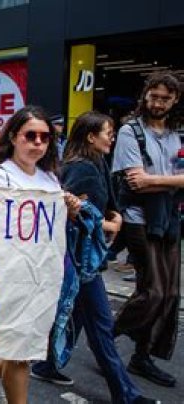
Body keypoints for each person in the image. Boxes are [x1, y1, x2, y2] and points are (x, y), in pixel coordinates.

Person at [30, 111, 159, 404]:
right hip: (80, 260)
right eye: (108, 133)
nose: (112, 138)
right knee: (100, 326)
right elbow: (67, 213)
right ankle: (126, 394)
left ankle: (46, 365)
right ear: (91, 137)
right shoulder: (81, 168)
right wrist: (108, 225)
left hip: (85, 257)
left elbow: (106, 202)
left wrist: (115, 216)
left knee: (77, 315)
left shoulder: (97, 162)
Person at [0, 105, 80, 404]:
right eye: (30, 135)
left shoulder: (49, 179)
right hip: (10, 278)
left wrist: (69, 210)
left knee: (28, 344)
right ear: (13, 137)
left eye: (44, 137)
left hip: (43, 276)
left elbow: (52, 227)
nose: (37, 142)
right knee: (21, 350)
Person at [112, 71, 182, 388]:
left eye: (165, 98)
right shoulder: (131, 131)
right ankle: (107, 334)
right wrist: (174, 182)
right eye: (154, 96)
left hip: (170, 219)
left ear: (175, 99)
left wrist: (154, 180)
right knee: (152, 291)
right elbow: (135, 182)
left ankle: (142, 356)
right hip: (138, 218)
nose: (158, 103)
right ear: (145, 95)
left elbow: (146, 180)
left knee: (170, 294)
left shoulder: (178, 133)